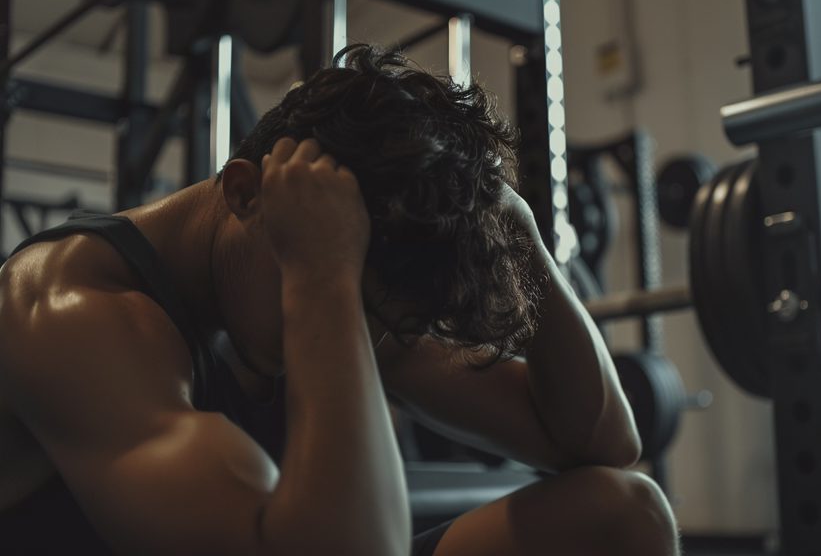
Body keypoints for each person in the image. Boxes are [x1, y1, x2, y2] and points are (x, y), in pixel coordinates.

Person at [0, 45, 678, 555]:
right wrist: (321, 269)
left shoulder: (333, 297)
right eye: (343, 288)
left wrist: (520, 232)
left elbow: (599, 443)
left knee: (624, 513)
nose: (354, 326)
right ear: (245, 193)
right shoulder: (72, 307)